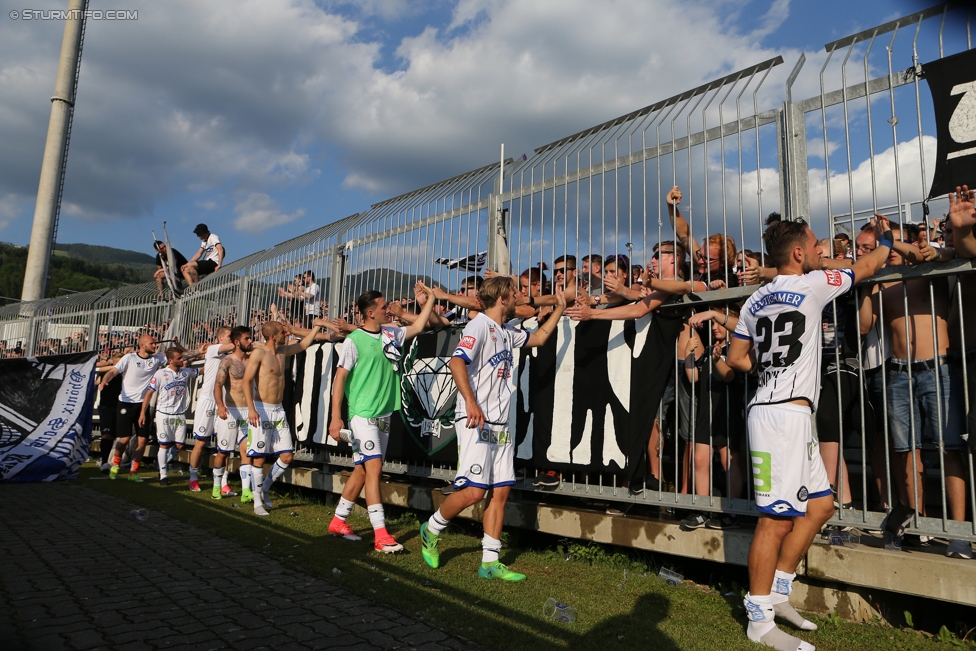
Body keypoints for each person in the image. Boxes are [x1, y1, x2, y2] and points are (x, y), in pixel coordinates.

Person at [727, 218, 891, 651]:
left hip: (784, 410)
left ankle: (779, 593)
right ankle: (758, 620)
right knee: (775, 519)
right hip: (781, 417)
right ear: (798, 253)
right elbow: (871, 264)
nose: (820, 250)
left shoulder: (754, 300)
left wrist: (770, 371)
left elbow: (735, 357)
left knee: (820, 505)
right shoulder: (814, 284)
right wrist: (889, 238)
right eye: (816, 245)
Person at [420, 276, 566, 581]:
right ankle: (431, 529)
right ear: (502, 298)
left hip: (500, 424)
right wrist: (471, 402)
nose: (518, 299)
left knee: (500, 492)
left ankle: (489, 561)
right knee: (474, 492)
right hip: (476, 420)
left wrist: (559, 310)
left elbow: (538, 339)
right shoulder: (479, 326)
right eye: (514, 294)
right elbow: (456, 363)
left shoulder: (505, 331)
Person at [327, 284, 437, 552]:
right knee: (375, 469)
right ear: (369, 312)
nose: (389, 309)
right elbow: (339, 379)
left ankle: (338, 521)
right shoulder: (354, 341)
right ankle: (381, 535)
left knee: (363, 469)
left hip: (384, 414)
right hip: (362, 415)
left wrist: (431, 300)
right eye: (383, 306)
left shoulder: (391, 334)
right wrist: (335, 418)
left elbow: (419, 327)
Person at [243, 318, 326, 516]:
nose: (286, 333)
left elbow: (304, 344)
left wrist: (316, 327)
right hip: (261, 408)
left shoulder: (282, 351)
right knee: (259, 457)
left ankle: (264, 489)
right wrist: (251, 409)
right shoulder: (259, 353)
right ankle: (257, 502)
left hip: (278, 409)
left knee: (287, 455)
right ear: (272, 336)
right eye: (282, 332)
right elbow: (246, 381)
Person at [99, 335, 167, 482]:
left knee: (142, 440)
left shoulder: (157, 359)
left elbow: (179, 357)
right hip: (126, 403)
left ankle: (133, 472)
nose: (155, 345)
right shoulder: (129, 358)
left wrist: (196, 351)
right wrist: (104, 381)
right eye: (152, 343)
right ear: (142, 345)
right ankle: (115, 467)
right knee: (124, 438)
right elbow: (113, 371)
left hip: (143, 404)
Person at [139, 347, 198, 485]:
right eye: (179, 358)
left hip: (180, 414)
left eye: (182, 357)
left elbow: (201, 371)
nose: (182, 360)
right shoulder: (161, 373)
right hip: (164, 414)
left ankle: (162, 463)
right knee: (164, 445)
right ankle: (163, 475)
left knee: (179, 445)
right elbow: (149, 392)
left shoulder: (185, 372)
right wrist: (143, 412)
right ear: (170, 360)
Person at [187, 328, 236, 493]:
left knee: (225, 445)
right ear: (221, 338)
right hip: (207, 402)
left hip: (223, 403)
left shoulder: (232, 356)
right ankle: (193, 478)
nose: (233, 340)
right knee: (200, 442)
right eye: (230, 336)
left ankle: (223, 483)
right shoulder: (213, 349)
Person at [213, 326, 254, 502]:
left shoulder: (252, 359)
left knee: (246, 450)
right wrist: (220, 405)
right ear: (237, 342)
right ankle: (217, 486)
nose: (250, 341)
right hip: (230, 410)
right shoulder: (227, 362)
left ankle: (246, 491)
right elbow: (218, 385)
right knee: (223, 452)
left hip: (247, 412)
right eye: (247, 339)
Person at [95, 351, 124, 472]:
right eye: (119, 362)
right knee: (106, 435)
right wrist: (115, 366)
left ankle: (115, 461)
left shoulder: (126, 372)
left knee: (118, 436)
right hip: (106, 406)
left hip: (120, 406)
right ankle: (104, 461)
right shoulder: (107, 371)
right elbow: (98, 369)